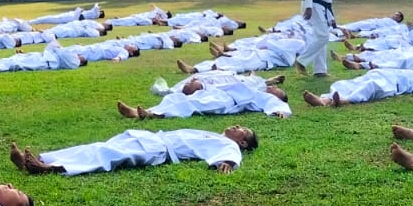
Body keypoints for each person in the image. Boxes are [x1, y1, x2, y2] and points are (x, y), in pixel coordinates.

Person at [11, 125, 256, 175]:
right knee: (98, 147)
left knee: (107, 155)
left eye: (242, 130)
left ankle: (51, 168)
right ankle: (41, 159)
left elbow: (230, 154)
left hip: (159, 150)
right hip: (152, 138)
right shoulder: (213, 134)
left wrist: (230, 163)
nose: (236, 127)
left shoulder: (229, 145)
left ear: (242, 143)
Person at [118, 75, 290, 119]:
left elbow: (277, 106)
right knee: (177, 98)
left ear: (277, 97)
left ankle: (149, 114)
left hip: (227, 102)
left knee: (193, 104)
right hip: (217, 91)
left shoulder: (264, 97)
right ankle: (143, 111)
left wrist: (280, 112)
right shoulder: (257, 86)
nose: (274, 88)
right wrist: (203, 85)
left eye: (277, 90)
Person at [302, 68, 413, 107]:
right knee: (342, 84)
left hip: (387, 84)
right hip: (369, 76)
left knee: (370, 87)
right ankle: (323, 100)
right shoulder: (398, 69)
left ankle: (345, 101)